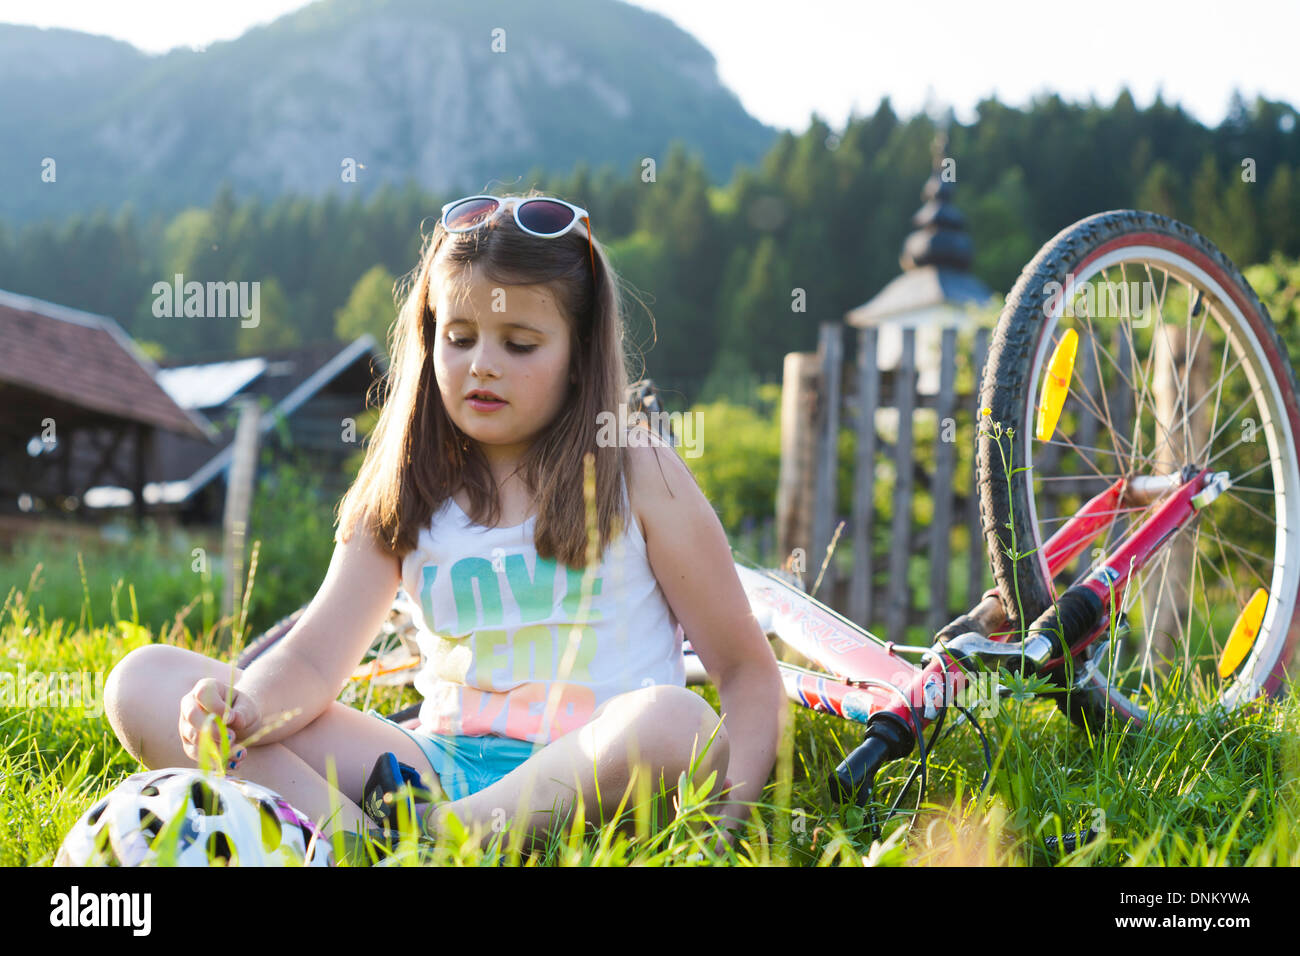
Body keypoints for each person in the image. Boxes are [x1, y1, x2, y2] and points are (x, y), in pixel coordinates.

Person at [104, 190, 787, 860]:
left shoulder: (637, 471)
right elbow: (314, 661)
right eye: (458, 338)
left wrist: (730, 825)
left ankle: (411, 844)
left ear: (580, 357)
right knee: (144, 683)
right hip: (431, 767)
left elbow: (744, 671)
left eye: (519, 344)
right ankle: (369, 845)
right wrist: (242, 709)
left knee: (674, 722)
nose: (482, 364)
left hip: (589, 780)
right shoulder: (408, 485)